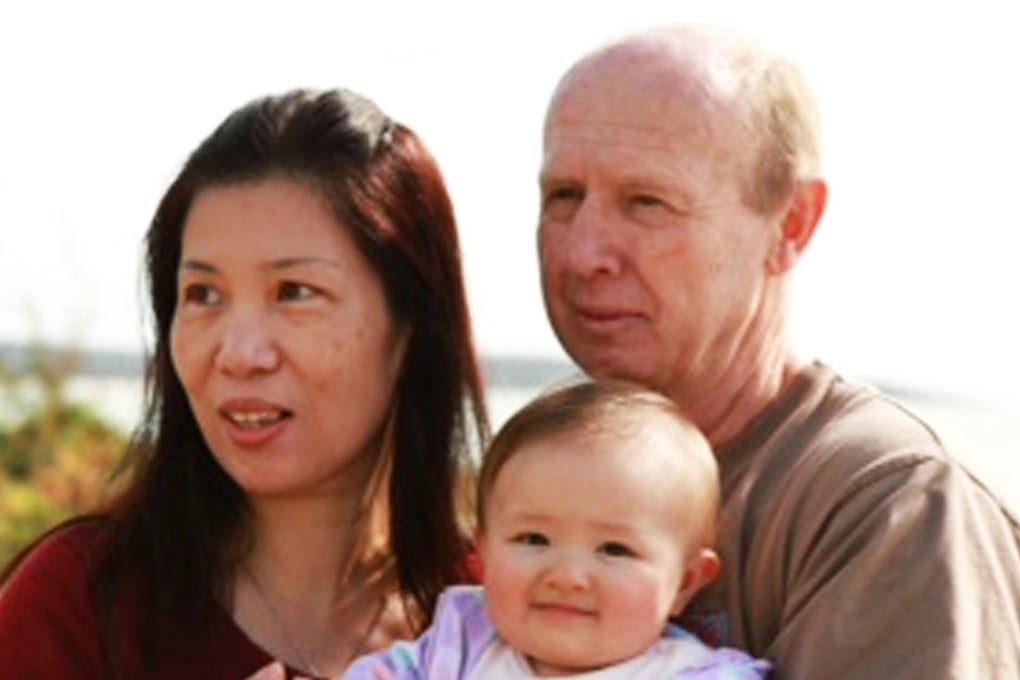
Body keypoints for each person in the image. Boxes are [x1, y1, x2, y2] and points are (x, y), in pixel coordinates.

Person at [536, 24, 1020, 679]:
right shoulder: (543, 468)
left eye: (646, 202)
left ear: (791, 223)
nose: (582, 251)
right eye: (563, 196)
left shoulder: (884, 504)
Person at [0, 87, 488, 679]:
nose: (238, 354)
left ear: (411, 323)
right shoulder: (80, 607)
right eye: (203, 295)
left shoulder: (513, 616)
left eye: (295, 293)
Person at [337, 379, 769, 678]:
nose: (566, 576)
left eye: (615, 549)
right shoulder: (459, 648)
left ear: (685, 583)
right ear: (484, 552)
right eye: (534, 539)